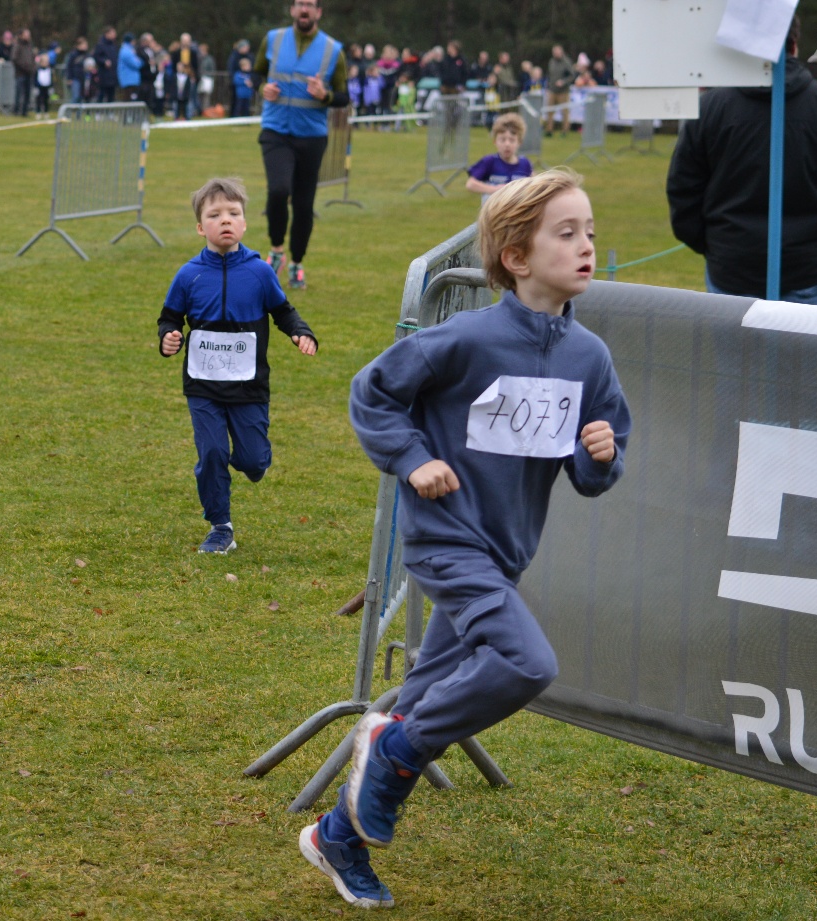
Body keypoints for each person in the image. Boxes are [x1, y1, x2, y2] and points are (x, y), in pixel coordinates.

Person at [301, 168, 629, 909]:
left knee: (420, 699)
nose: (586, 247)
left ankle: (336, 837)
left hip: (507, 554)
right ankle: (395, 751)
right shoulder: (467, 337)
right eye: (567, 233)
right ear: (515, 256)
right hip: (448, 545)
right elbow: (373, 391)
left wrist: (599, 453)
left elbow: (596, 466)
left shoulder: (590, 359)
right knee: (526, 661)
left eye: (591, 233)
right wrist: (416, 461)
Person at [157, 178, 319, 555]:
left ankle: (251, 459)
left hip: (248, 386)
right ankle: (220, 526)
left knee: (252, 460)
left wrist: (301, 333)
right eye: (214, 215)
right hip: (203, 385)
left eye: (233, 214)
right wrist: (168, 339)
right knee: (212, 452)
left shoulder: (260, 272)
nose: (225, 221)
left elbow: (283, 311)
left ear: (245, 224)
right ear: (201, 227)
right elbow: (169, 318)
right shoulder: (189, 274)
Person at [666, 16, 817, 305]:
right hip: (754, 269)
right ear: (795, 45)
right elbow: (684, 189)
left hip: (781, 269)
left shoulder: (711, 106)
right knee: (796, 354)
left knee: (744, 354)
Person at [252, 0, 350, 291]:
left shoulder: (334, 50)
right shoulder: (273, 39)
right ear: (292, 9)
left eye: (310, 4)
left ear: (318, 12)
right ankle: (277, 250)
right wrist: (261, 88)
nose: (304, 9)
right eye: (300, 4)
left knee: (304, 206)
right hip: (276, 129)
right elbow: (255, 75)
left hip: (311, 136)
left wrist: (326, 96)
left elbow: (344, 97)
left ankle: (296, 263)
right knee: (279, 189)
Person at [466, 112, 532, 203]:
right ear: (495, 141)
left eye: (512, 140)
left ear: (519, 142)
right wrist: (494, 189)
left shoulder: (525, 164)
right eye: (502, 139)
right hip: (492, 213)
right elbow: (470, 184)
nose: (507, 144)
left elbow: (534, 186)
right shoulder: (489, 161)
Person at [546, 45, 573, 135]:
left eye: (557, 52)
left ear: (561, 52)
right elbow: (549, 75)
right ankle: (549, 130)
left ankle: (565, 130)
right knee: (550, 111)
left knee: (564, 112)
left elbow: (571, 76)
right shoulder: (551, 61)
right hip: (552, 90)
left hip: (563, 91)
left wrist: (563, 82)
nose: (555, 54)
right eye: (554, 52)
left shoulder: (566, 62)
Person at [11, 29, 35, 116]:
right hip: (20, 73)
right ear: (21, 35)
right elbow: (15, 59)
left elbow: (32, 58)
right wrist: (24, 67)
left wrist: (32, 68)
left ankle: (25, 111)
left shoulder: (29, 45)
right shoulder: (17, 45)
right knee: (19, 93)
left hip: (29, 73)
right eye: (26, 34)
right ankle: (16, 110)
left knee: (27, 93)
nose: (28, 36)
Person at [93, 26, 118, 103]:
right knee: (102, 94)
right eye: (112, 33)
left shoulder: (113, 45)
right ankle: (98, 112)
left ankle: (110, 112)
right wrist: (104, 61)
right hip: (104, 75)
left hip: (112, 75)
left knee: (111, 95)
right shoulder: (100, 45)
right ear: (107, 34)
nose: (114, 35)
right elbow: (96, 56)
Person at [118, 33, 143, 101]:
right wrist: (141, 61)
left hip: (130, 79)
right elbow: (136, 64)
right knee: (128, 98)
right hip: (129, 79)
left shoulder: (128, 50)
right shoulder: (127, 51)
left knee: (130, 97)